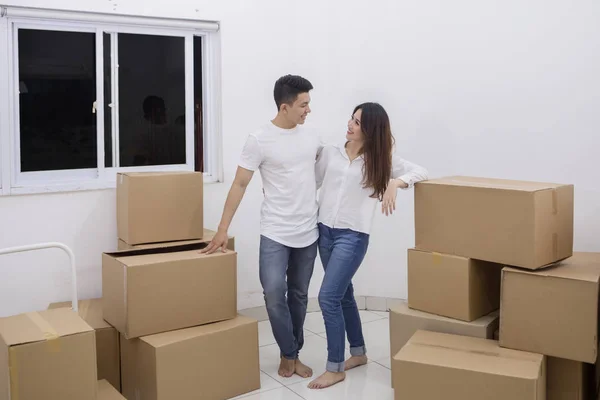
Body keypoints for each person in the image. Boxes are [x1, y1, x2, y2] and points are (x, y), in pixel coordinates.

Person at [202, 75, 322, 379]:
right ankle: (288, 353)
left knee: (298, 295)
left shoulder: (312, 137)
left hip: (308, 232)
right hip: (275, 231)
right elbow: (240, 183)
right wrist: (222, 228)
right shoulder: (259, 139)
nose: (308, 109)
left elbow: (321, 174)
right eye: (303, 104)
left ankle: (292, 354)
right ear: (285, 107)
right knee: (272, 292)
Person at [308, 102, 428, 389]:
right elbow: (312, 181)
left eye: (358, 122)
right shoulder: (331, 152)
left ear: (371, 130)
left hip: (352, 236)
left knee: (327, 297)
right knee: (343, 294)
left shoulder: (382, 159)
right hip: (324, 231)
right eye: (351, 118)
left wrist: (394, 183)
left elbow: (422, 171)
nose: (350, 124)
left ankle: (335, 367)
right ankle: (359, 353)